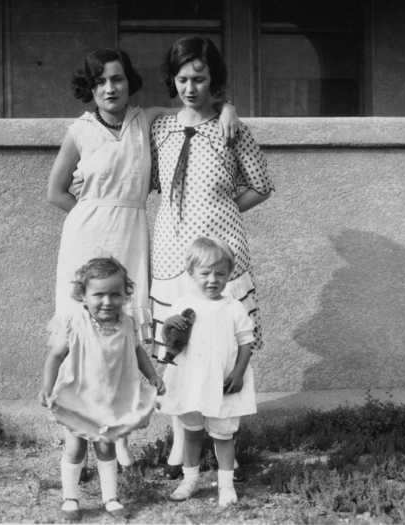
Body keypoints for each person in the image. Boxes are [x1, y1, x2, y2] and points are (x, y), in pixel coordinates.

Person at [46, 47, 239, 468]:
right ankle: (82, 429)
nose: (110, 88)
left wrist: (229, 109)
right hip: (86, 238)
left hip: (132, 234)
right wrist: (92, 215)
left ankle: (121, 433)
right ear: (91, 89)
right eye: (100, 82)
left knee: (127, 329)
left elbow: (196, 104)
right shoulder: (78, 131)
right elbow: (55, 192)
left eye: (116, 79)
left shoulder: (146, 119)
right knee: (85, 331)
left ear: (128, 82)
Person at [149, 36, 274, 480]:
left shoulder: (231, 128)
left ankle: (224, 444)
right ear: (173, 80)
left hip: (221, 253)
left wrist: (220, 209)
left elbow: (261, 184)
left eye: (200, 78)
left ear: (213, 80)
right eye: (182, 78)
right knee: (176, 343)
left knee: (219, 342)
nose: (190, 87)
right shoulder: (160, 127)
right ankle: (182, 442)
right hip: (170, 249)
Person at [39, 257, 166, 520]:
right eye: (99, 295)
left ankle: (110, 497)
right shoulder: (75, 323)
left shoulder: (128, 323)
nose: (107, 302)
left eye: (115, 294)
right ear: (83, 296)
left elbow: (138, 352)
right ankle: (70, 498)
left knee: (106, 447)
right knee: (76, 448)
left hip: (109, 398)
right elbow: (55, 357)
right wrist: (47, 388)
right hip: (78, 397)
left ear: (125, 294)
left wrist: (152, 376)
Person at [158, 237, 256, 507]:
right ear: (191, 273)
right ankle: (189, 480)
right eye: (205, 273)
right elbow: (171, 338)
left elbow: (247, 343)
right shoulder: (182, 304)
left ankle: (225, 486)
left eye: (220, 274)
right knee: (192, 432)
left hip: (222, 380)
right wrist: (168, 327)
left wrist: (238, 373)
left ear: (229, 275)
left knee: (223, 434)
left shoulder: (234, 307)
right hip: (191, 380)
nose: (213, 280)